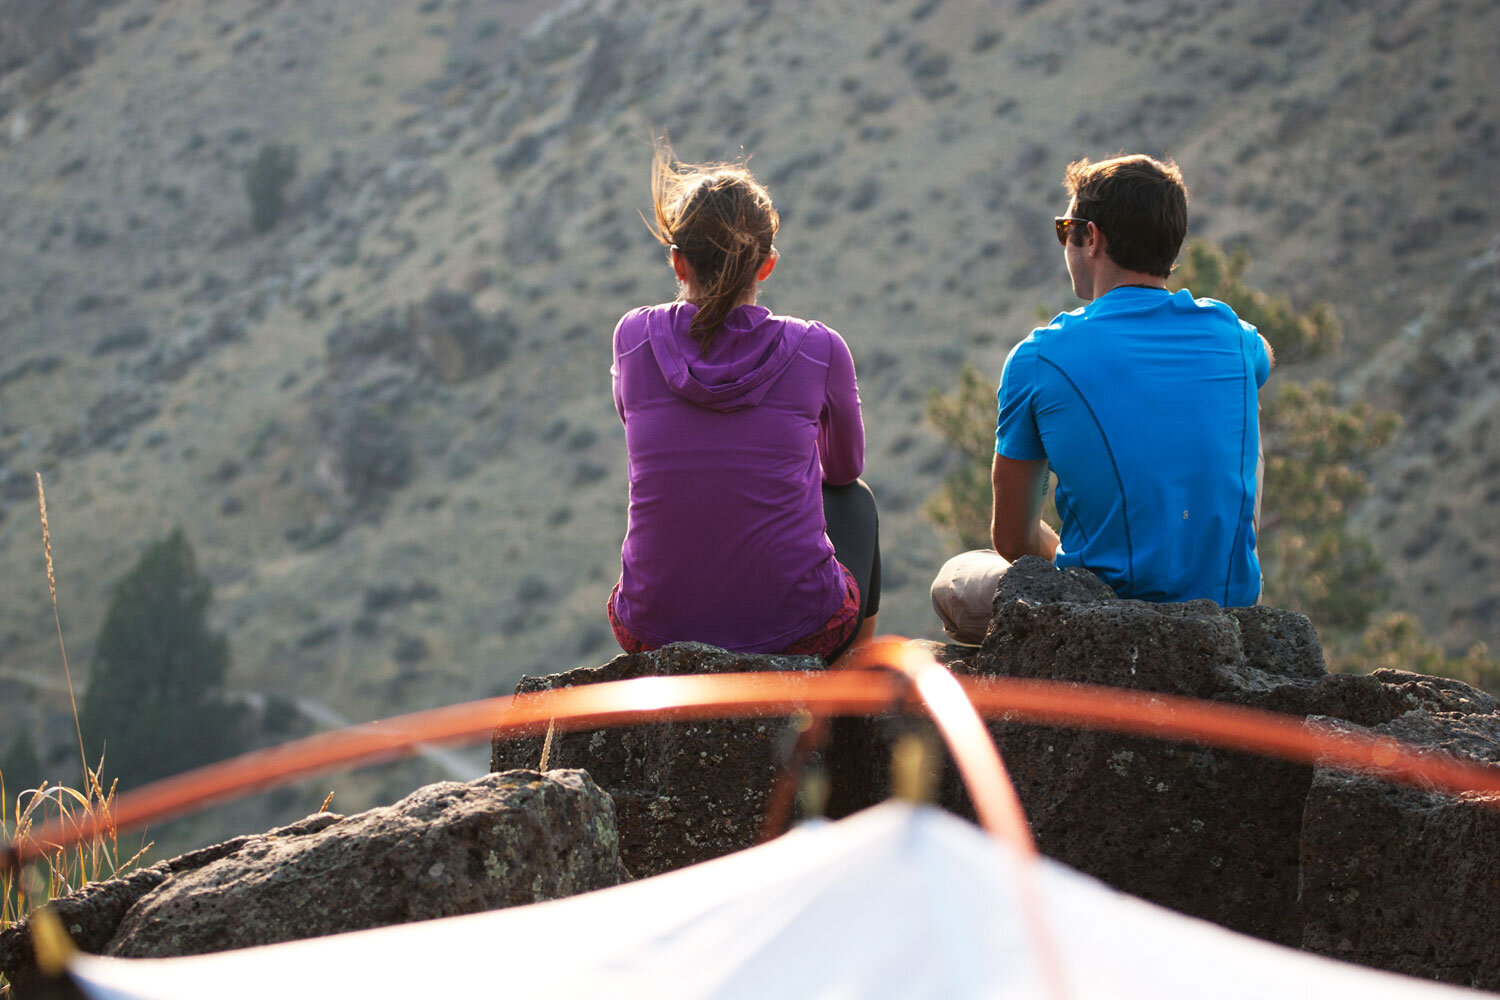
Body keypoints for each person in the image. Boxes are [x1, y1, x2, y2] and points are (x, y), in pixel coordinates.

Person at [930, 153, 1273, 644]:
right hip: (1225, 614)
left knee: (956, 580)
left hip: (1102, 618)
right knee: (1243, 399)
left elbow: (1013, 539)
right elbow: (1264, 355)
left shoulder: (1040, 357)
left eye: (1065, 229)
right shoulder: (1234, 336)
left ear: (1091, 238)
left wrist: (1071, 568)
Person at [607, 142, 879, 662]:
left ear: (678, 262)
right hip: (799, 630)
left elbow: (636, 426)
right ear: (767, 265)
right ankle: (851, 689)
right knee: (854, 501)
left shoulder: (633, 337)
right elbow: (844, 470)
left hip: (651, 629)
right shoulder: (820, 348)